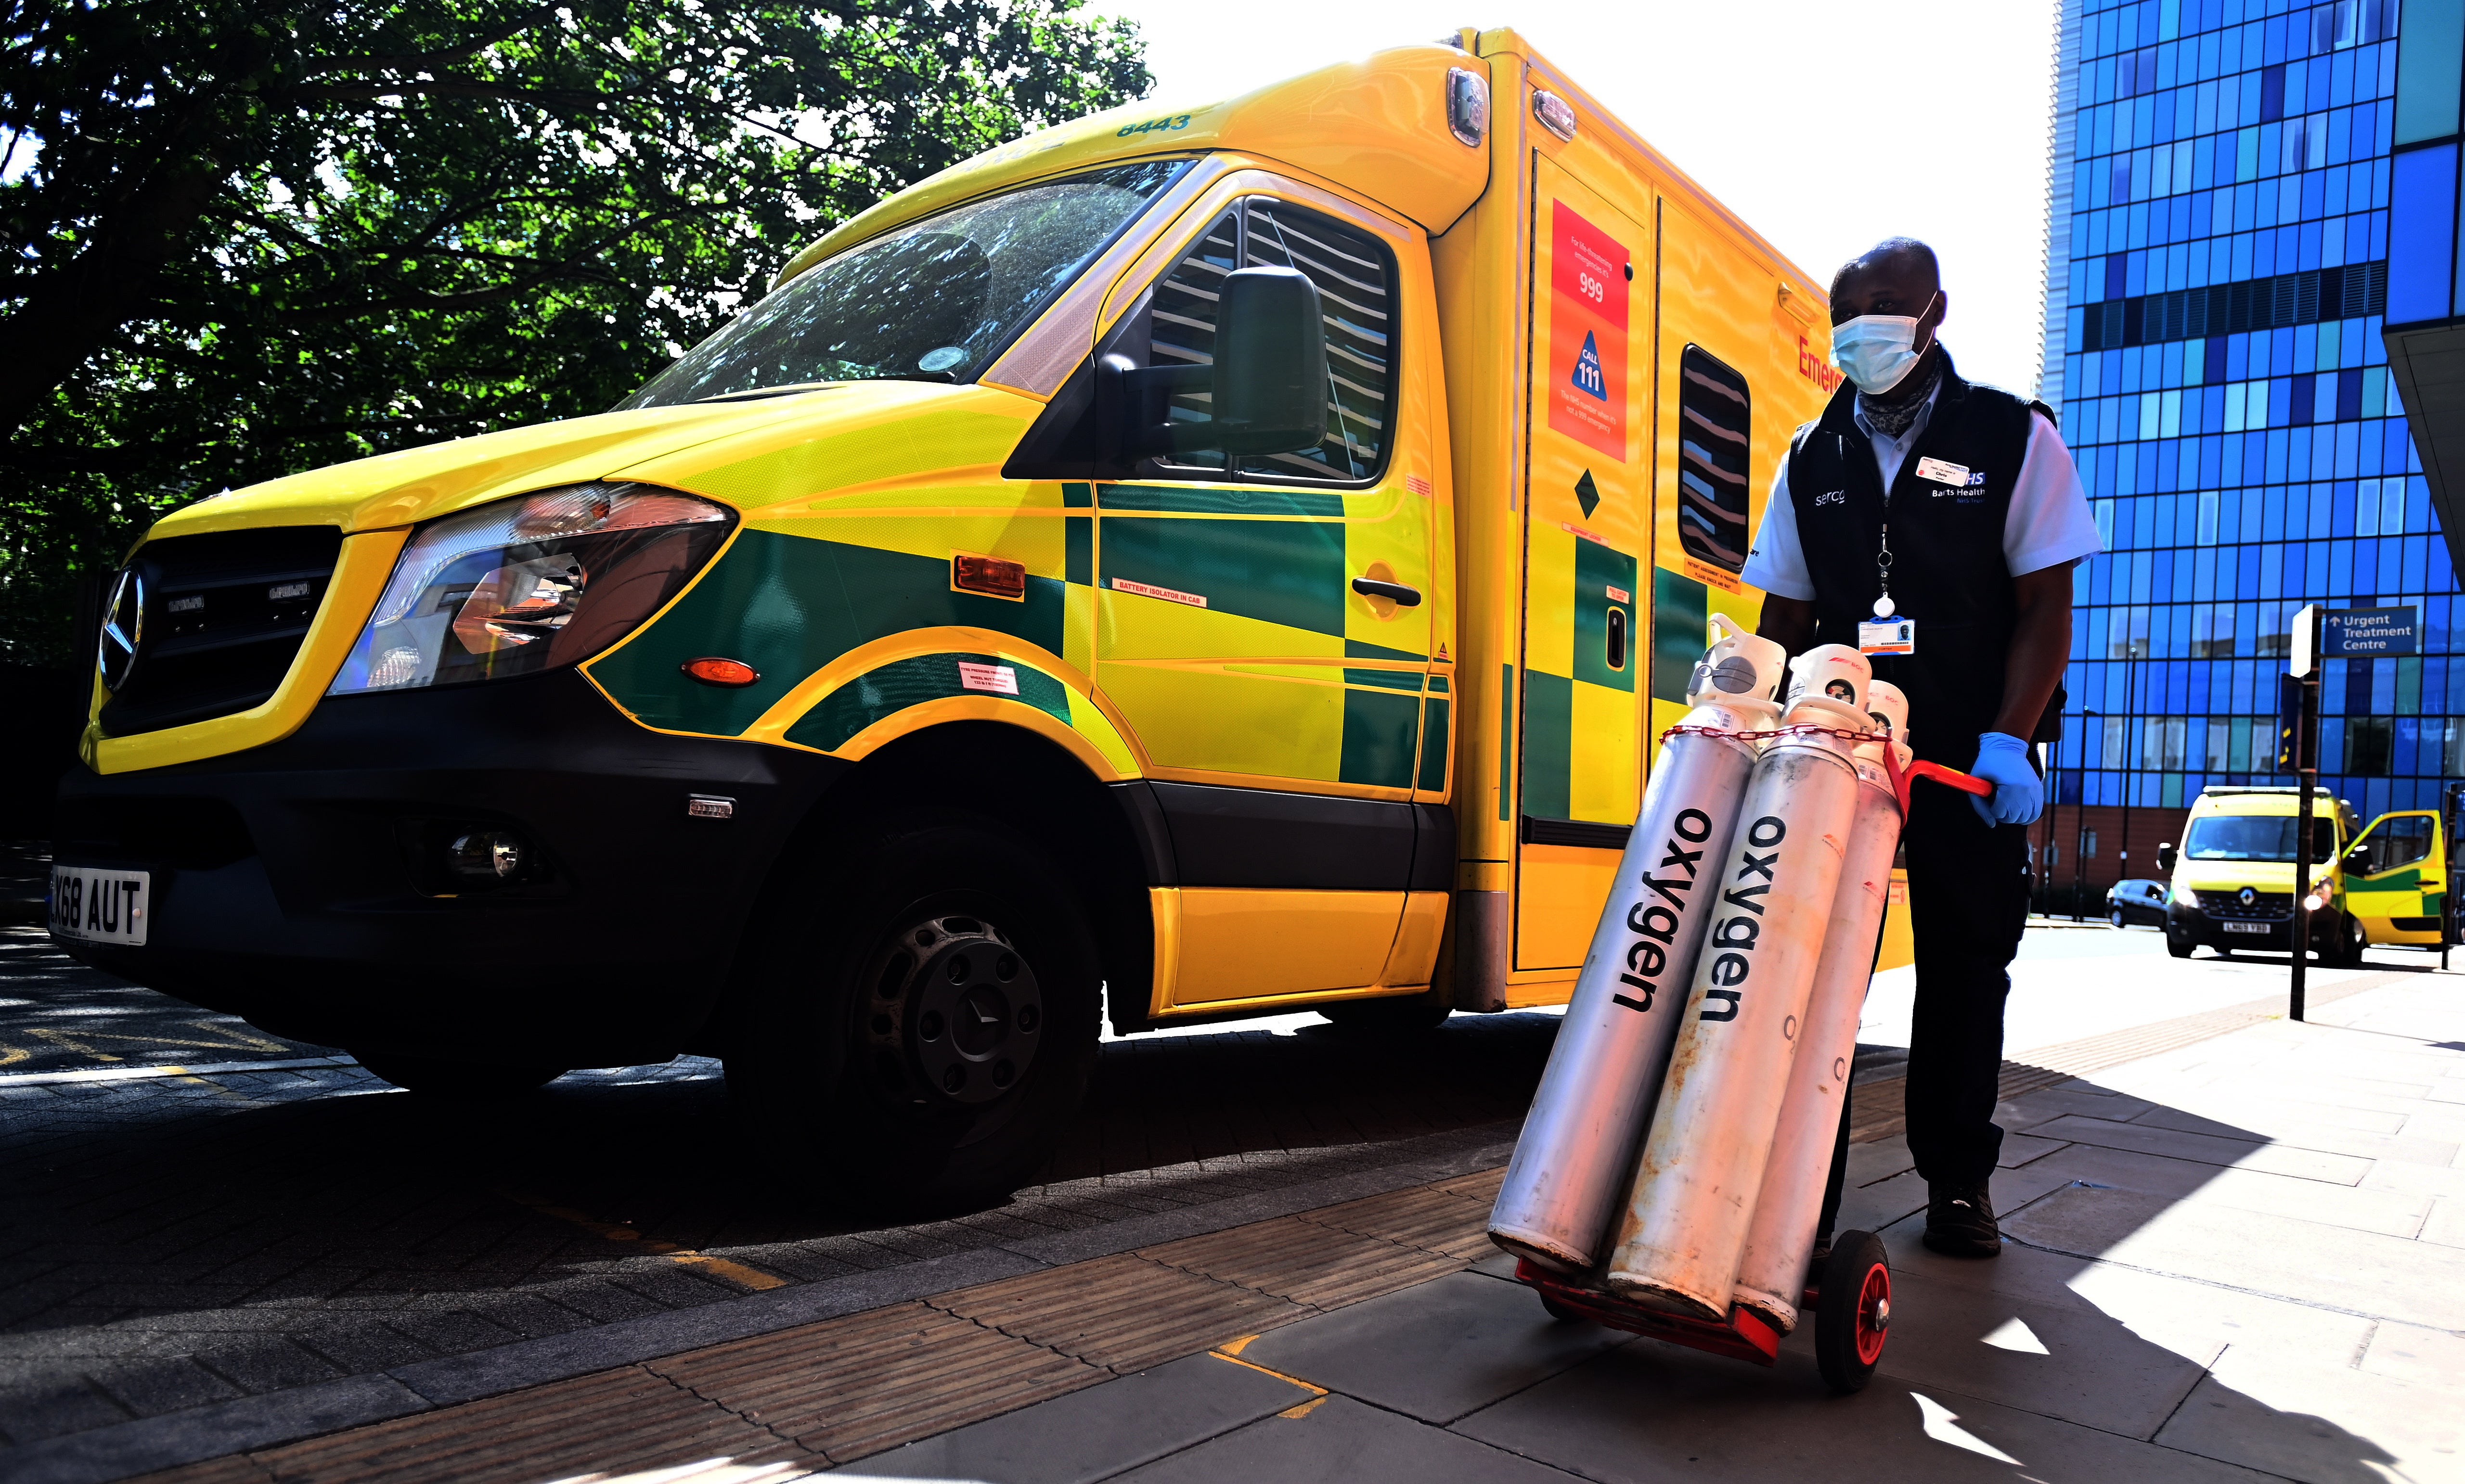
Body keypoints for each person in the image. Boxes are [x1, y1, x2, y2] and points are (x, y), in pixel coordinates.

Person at [1742, 238, 2102, 1258]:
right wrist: (1752, 726)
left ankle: (1955, 1182)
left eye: (1886, 305)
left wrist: (2009, 740)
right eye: (1845, 311)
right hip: (1840, 754)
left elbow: (2043, 605)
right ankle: (1793, 1188)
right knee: (1811, 972)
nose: (1862, 327)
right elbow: (1784, 613)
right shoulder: (1811, 457)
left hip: (1961, 755)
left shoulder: (2008, 433)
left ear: (1933, 311)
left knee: (1962, 966)